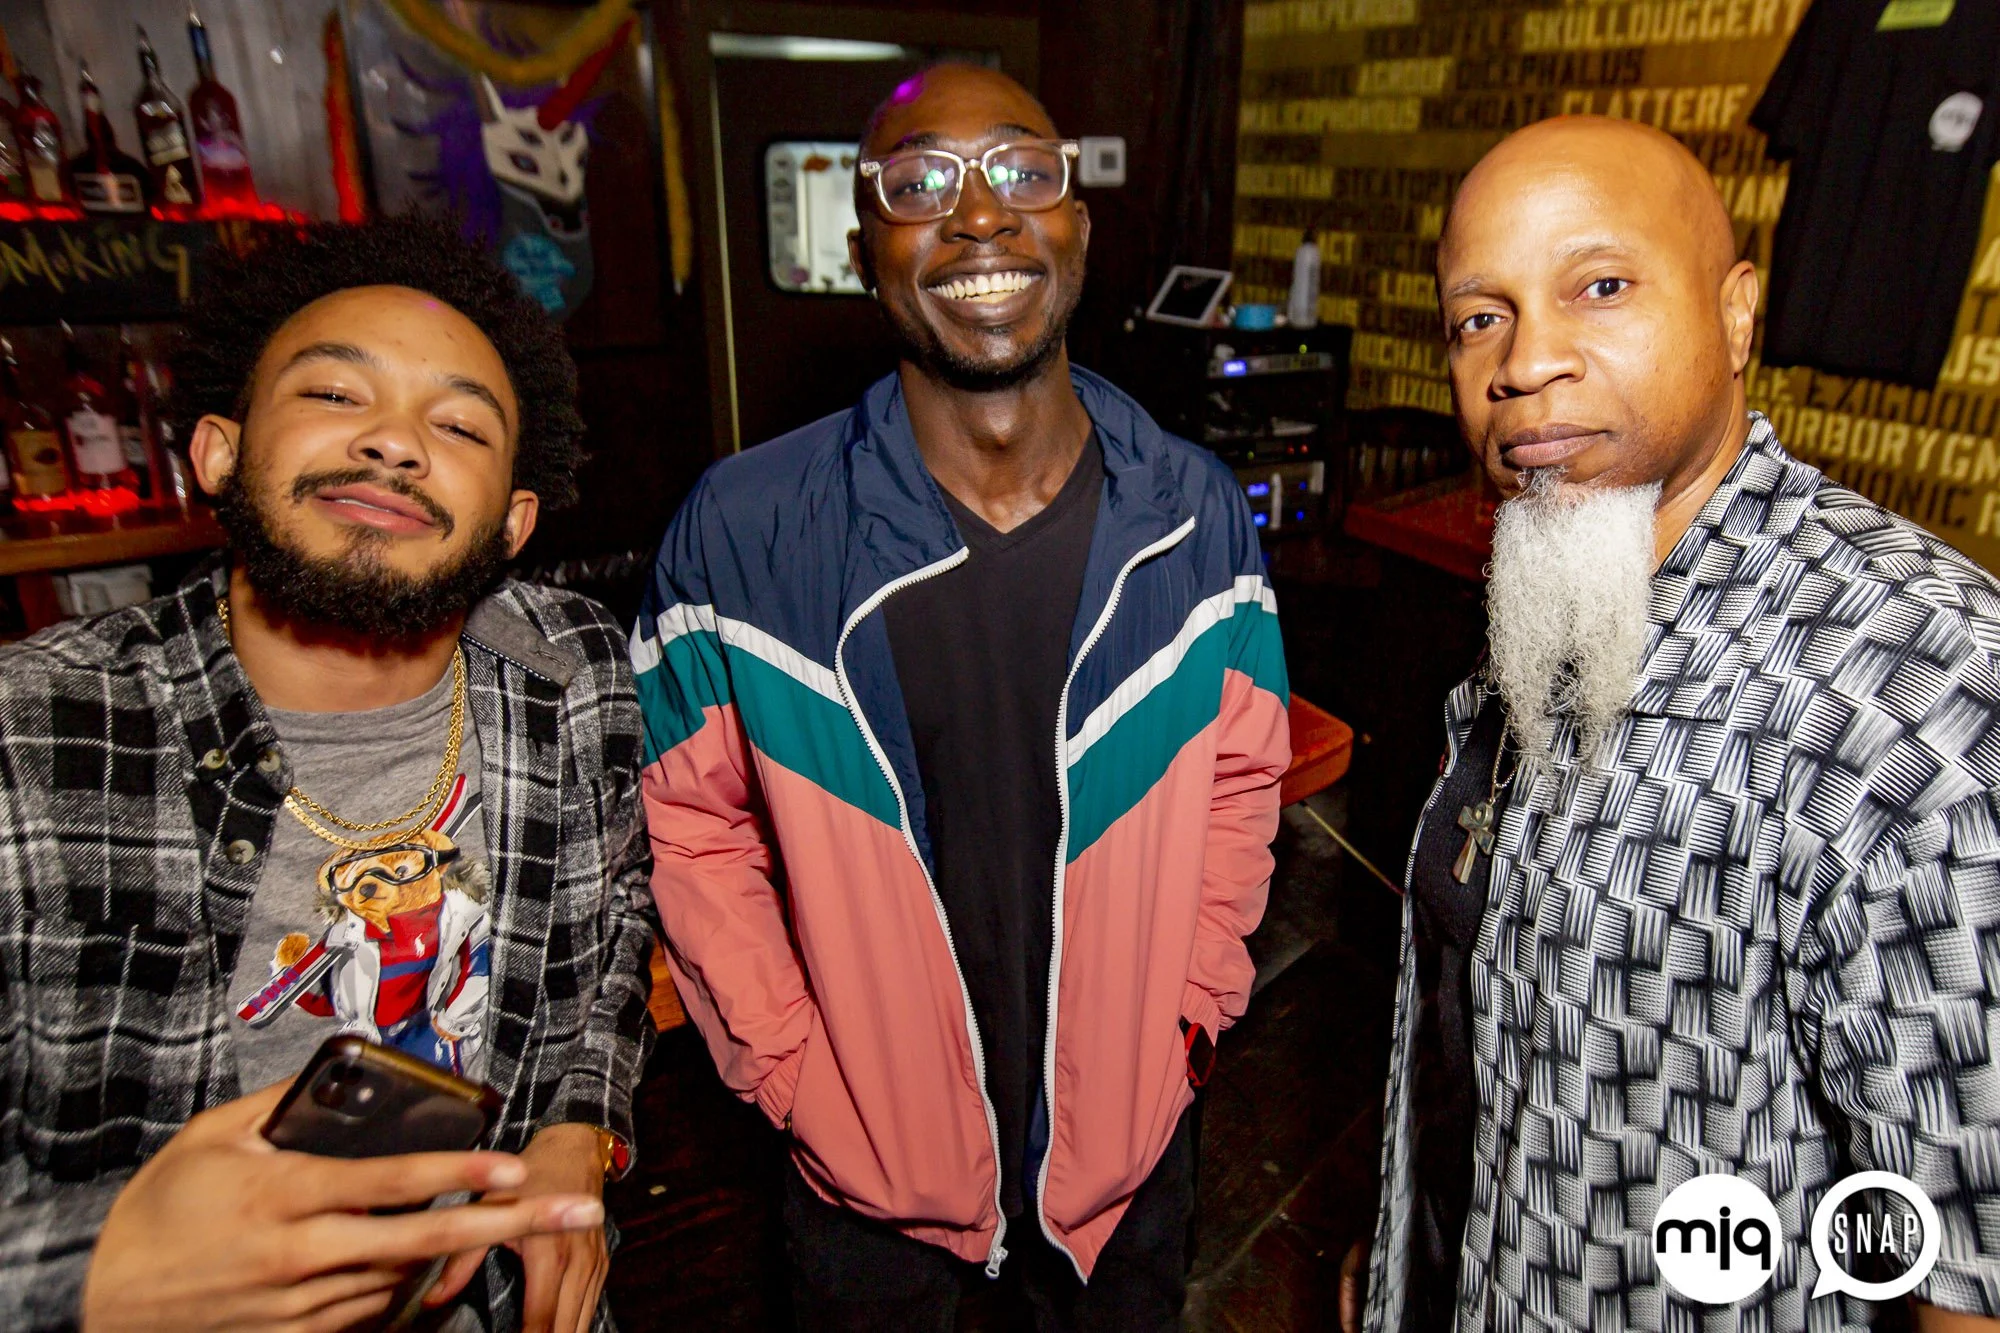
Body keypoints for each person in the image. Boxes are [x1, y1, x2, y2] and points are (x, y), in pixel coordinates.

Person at [635, 65, 1289, 1330]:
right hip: (865, 1199)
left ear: (1076, 227)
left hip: (1124, 1178)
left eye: (1021, 171)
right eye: (920, 182)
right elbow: (692, 828)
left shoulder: (1194, 515)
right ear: (860, 251)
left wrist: (1193, 1013)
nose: (979, 214)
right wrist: (790, 1073)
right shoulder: (741, 532)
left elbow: (1241, 779)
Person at [1352, 116, 2000, 1331]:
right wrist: (1405, 1245)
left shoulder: (1910, 688)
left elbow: (1967, 1263)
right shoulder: (1565, 588)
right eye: (1477, 316)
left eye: (1598, 287)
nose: (1522, 361)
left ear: (1736, 313)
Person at [0, 216, 658, 1333]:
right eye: (336, 395)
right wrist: (89, 1272)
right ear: (217, 452)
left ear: (513, 522)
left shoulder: (573, 669)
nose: (394, 442)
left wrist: (575, 1129)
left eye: (457, 423)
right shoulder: (35, 735)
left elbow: (615, 926)